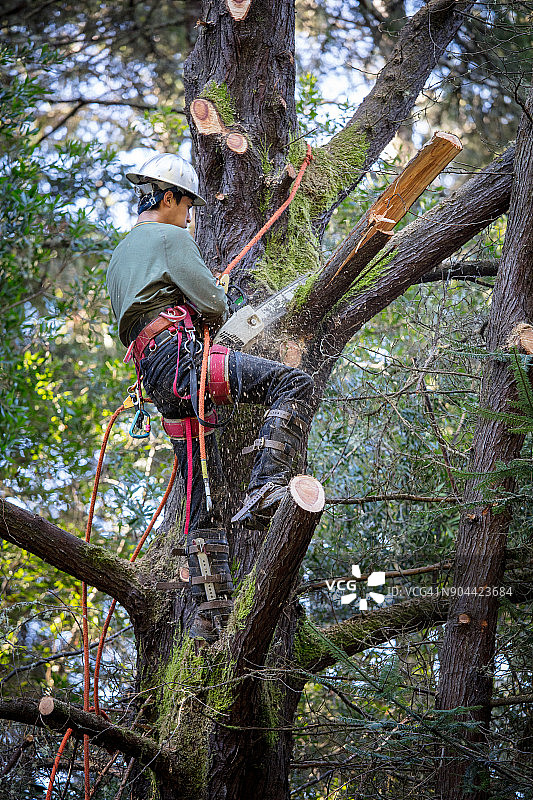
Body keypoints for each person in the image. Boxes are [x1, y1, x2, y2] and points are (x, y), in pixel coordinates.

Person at [107, 152, 313, 641]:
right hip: (182, 362)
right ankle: (268, 484)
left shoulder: (120, 256)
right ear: (171, 197)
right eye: (187, 205)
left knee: (202, 505)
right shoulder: (171, 237)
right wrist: (212, 301)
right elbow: (215, 304)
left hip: (158, 381)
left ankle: (208, 616)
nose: (190, 215)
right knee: (293, 384)